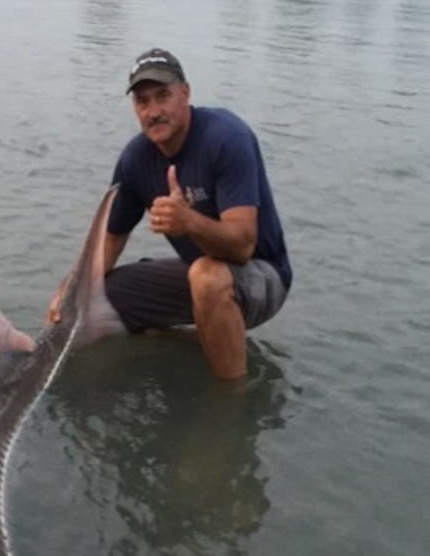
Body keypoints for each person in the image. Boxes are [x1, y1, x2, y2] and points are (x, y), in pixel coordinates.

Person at [52, 48, 292, 381]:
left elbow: (242, 246)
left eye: (163, 96)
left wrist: (189, 221)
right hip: (200, 271)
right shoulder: (135, 160)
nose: (153, 112)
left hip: (262, 276)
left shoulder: (226, 138)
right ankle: (193, 340)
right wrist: (69, 293)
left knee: (207, 277)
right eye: (142, 101)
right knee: (100, 297)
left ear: (186, 93)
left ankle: (232, 400)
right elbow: (109, 242)